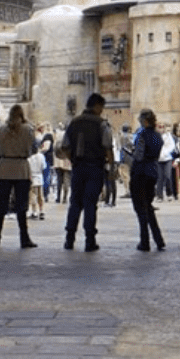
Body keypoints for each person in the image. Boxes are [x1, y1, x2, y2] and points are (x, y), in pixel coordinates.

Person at [62, 93, 111, 252]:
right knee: (90, 204)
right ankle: (90, 240)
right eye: (101, 107)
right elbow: (107, 147)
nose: (102, 111)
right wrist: (110, 165)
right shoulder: (102, 124)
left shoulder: (73, 122)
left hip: (78, 167)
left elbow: (64, 146)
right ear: (97, 106)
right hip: (95, 167)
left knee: (75, 203)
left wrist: (74, 160)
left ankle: (69, 239)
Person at [0, 102, 40, 250]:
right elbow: (34, 149)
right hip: (21, 168)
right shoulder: (28, 130)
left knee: (1, 207)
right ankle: (24, 239)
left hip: (4, 168)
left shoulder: (1, 130)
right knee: (21, 207)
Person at [127, 109, 169, 251]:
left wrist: (131, 154)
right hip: (153, 171)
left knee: (140, 208)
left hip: (140, 172)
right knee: (148, 207)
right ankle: (158, 239)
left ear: (145, 121)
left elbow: (139, 156)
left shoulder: (142, 135)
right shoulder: (159, 136)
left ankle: (145, 241)